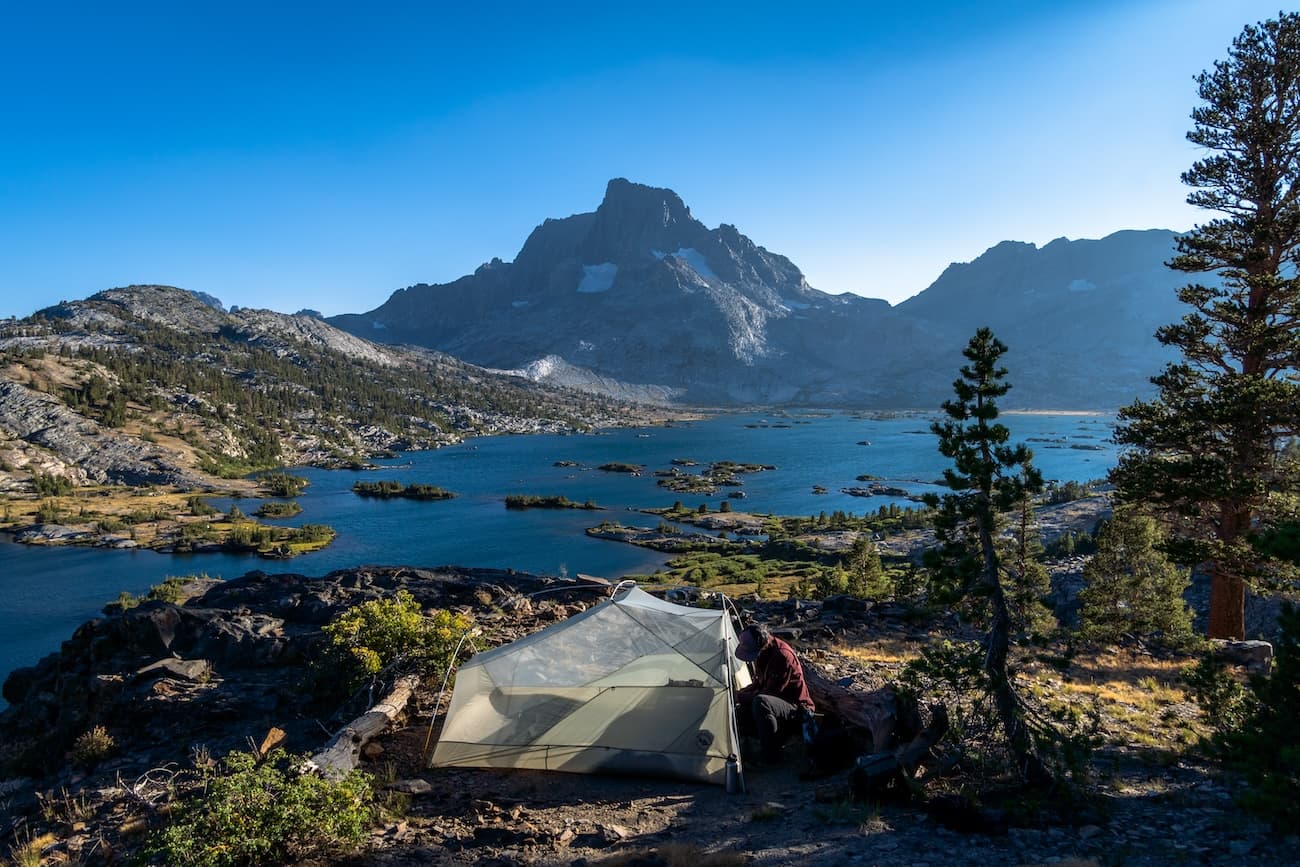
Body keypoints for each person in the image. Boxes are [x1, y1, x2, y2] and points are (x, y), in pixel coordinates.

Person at [733, 622, 815, 764]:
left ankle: (772, 757)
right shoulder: (764, 652)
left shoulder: (782, 656)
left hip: (796, 707)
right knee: (741, 710)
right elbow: (759, 683)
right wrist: (739, 693)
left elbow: (771, 693)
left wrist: (740, 696)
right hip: (778, 703)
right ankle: (749, 746)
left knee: (761, 703)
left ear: (762, 644)